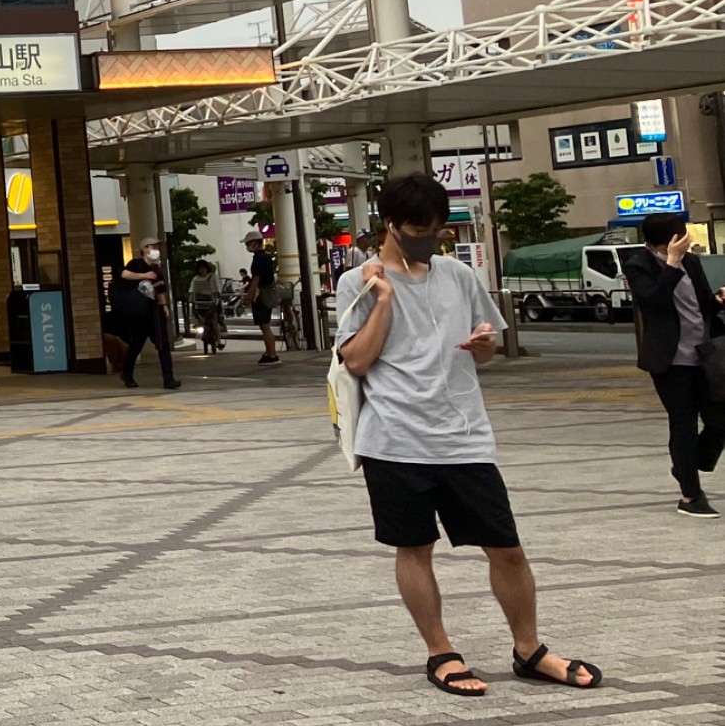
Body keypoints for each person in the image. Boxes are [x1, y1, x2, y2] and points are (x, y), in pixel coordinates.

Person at [336, 173, 601, 698]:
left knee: (507, 549)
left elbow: (490, 343)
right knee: (414, 548)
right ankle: (440, 651)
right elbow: (358, 361)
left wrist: (483, 346)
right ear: (389, 225)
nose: (427, 240)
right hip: (394, 437)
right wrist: (385, 300)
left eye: (436, 230)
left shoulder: (456, 275)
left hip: (463, 436)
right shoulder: (357, 282)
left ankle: (529, 649)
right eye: (417, 229)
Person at [620, 212, 725, 518]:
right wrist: (672, 263)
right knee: (683, 424)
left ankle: (686, 465)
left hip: (705, 355)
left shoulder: (691, 262)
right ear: (667, 240)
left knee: (719, 418)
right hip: (671, 361)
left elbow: (702, 303)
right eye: (681, 234)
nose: (687, 238)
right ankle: (690, 495)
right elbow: (654, 302)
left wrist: (718, 300)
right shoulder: (638, 265)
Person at [113, 240, 178, 390]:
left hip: (155, 312)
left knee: (163, 345)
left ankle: (168, 379)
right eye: (153, 247)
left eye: (157, 247)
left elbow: (160, 290)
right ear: (144, 249)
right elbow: (125, 274)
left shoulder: (157, 269)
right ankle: (127, 373)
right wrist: (144, 275)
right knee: (136, 344)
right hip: (139, 312)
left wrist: (164, 306)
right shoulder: (135, 264)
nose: (156, 250)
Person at [242, 235, 281, 365]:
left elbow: (256, 279)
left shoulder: (259, 258)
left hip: (261, 295)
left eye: (248, 243)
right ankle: (269, 352)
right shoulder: (267, 257)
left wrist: (250, 296)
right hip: (267, 294)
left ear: (255, 242)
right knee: (266, 325)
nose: (246, 246)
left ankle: (272, 354)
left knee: (264, 326)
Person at [187, 259, 226, 354]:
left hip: (212, 303)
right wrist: (190, 298)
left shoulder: (213, 277)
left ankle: (218, 341)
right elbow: (191, 291)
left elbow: (218, 288)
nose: (202, 270)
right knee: (198, 319)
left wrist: (218, 297)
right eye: (200, 269)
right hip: (199, 304)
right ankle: (199, 331)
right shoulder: (195, 279)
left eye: (204, 268)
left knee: (214, 321)